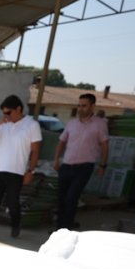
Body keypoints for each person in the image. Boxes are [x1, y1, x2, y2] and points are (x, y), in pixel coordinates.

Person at [0, 95, 42, 239]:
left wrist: (31, 171)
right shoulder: (3, 125)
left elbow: (35, 151)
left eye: (8, 112)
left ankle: (15, 225)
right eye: (4, 113)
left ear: (19, 109)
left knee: (12, 202)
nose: (6, 116)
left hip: (16, 171)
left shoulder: (32, 125)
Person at [53, 93, 110, 231]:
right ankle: (60, 228)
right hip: (67, 165)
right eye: (79, 105)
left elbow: (104, 145)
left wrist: (103, 165)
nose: (80, 108)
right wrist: (56, 159)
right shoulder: (72, 123)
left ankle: (66, 229)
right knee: (61, 198)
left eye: (84, 106)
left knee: (72, 198)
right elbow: (62, 142)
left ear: (92, 106)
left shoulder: (100, 124)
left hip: (84, 167)